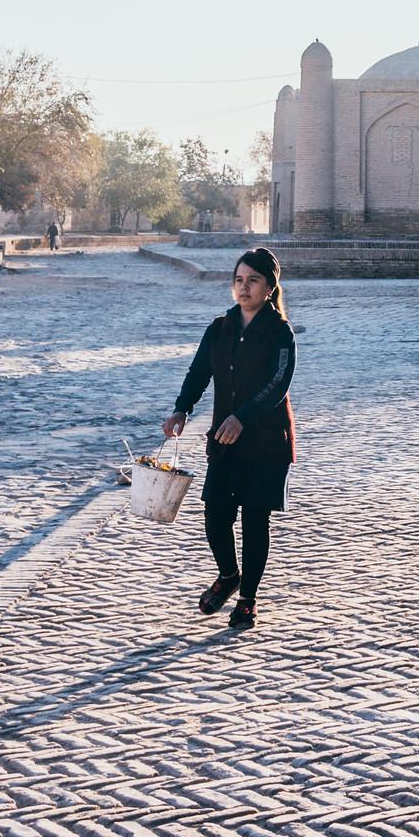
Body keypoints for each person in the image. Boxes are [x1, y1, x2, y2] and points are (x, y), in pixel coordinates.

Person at [162, 245, 295, 632]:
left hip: (267, 441)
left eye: (253, 281)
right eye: (239, 280)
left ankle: (247, 600)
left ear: (269, 287)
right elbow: (199, 371)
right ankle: (228, 573)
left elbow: (278, 384)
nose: (244, 287)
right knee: (215, 514)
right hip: (224, 439)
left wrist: (244, 417)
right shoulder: (219, 328)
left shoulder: (280, 333)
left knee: (256, 520)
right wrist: (181, 408)